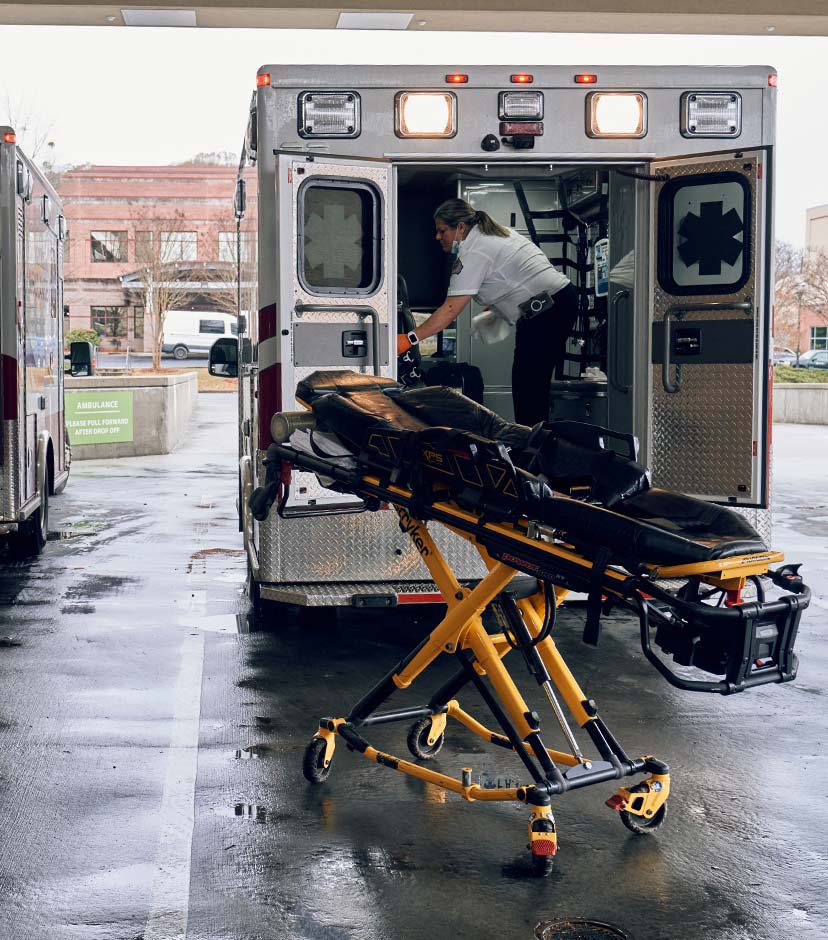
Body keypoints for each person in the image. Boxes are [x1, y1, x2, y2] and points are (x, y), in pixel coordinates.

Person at [396, 198, 580, 427]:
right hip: (556, 304)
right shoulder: (494, 235)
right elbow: (511, 277)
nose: (437, 237)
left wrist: (409, 338)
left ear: (461, 227)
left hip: (548, 311)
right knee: (530, 383)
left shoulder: (475, 251)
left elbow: (450, 310)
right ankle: (535, 442)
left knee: (528, 384)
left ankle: (535, 449)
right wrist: (497, 305)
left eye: (442, 230)